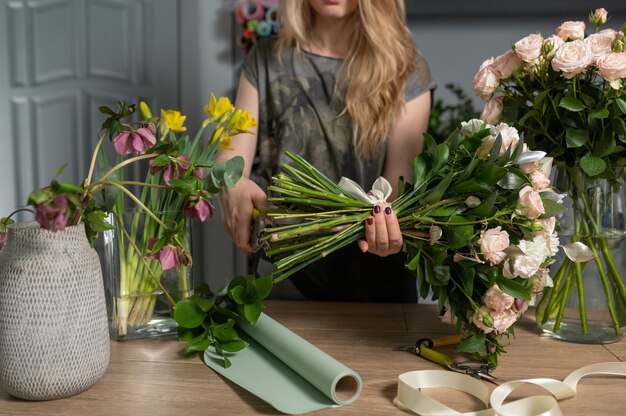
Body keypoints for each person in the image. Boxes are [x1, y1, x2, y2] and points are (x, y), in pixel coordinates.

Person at [217, 0, 435, 302]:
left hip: (378, 284)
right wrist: (233, 184)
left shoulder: (406, 68)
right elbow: (230, 159)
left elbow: (398, 187)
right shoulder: (266, 58)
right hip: (285, 276)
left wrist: (390, 221)